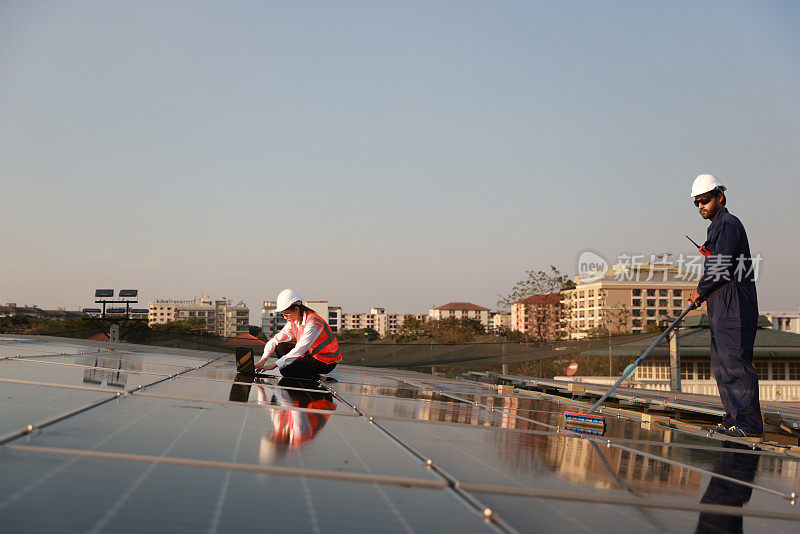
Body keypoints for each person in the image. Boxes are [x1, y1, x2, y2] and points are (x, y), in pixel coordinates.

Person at [687, 174, 762, 440]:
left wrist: (700, 289)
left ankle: (748, 424)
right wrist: (704, 293)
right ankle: (733, 420)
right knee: (722, 366)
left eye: (705, 200)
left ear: (720, 197)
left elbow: (722, 265)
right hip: (721, 306)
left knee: (735, 365)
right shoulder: (717, 227)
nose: (700, 207)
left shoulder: (728, 224)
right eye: (697, 203)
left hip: (735, 307)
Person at [255, 289, 341, 380]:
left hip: (325, 361)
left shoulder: (313, 323)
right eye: (282, 315)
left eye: (286, 314)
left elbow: (300, 349)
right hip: (311, 355)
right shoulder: (294, 321)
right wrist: (262, 360)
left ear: (296, 309)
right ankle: (295, 369)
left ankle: (320, 378)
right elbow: (275, 340)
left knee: (285, 370)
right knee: (280, 347)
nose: (285, 318)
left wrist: (274, 365)